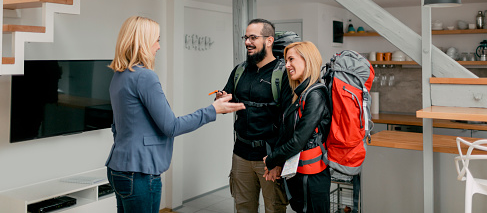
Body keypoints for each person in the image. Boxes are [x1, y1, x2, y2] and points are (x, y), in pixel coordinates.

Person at [105, 16, 245, 213]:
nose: (159, 46)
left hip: (119, 167)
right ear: (143, 42)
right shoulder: (145, 76)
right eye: (157, 40)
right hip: (140, 172)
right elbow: (171, 126)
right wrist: (213, 110)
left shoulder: (119, 75)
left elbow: (118, 126)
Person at [216, 18, 292, 213]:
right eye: (246, 37)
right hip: (240, 154)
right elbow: (227, 104)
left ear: (269, 40)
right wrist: (222, 100)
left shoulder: (282, 74)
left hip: (269, 157)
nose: (247, 42)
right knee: (243, 208)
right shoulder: (239, 70)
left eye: (253, 37)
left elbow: (288, 122)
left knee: (274, 209)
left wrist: (278, 160)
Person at [263, 41, 332, 213]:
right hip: (300, 175)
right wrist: (275, 163)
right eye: (286, 60)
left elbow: (297, 141)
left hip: (313, 179)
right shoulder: (301, 94)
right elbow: (287, 132)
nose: (287, 65)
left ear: (307, 60)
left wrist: (272, 159)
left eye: (291, 59)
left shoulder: (316, 94)